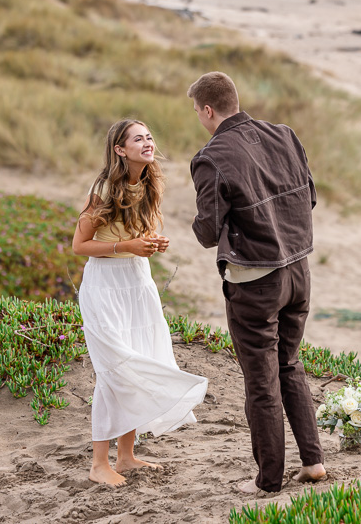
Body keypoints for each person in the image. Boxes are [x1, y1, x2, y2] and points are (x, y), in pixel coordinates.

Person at [187, 71, 327, 494]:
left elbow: (209, 230)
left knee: (260, 381)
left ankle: (268, 482)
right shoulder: (285, 134)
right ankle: (314, 462)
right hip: (299, 270)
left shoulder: (210, 157)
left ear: (208, 110)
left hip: (255, 280)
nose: (198, 117)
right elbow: (311, 197)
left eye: (197, 111)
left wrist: (198, 225)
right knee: (290, 364)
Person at [72, 118, 208, 487]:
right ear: (120, 149)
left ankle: (126, 456)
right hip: (105, 285)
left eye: (149, 137)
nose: (148, 143)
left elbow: (135, 234)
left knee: (139, 361)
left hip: (138, 281)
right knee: (115, 370)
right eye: (138, 139)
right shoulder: (102, 188)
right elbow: (80, 245)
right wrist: (126, 246)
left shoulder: (149, 182)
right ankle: (99, 464)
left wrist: (150, 241)